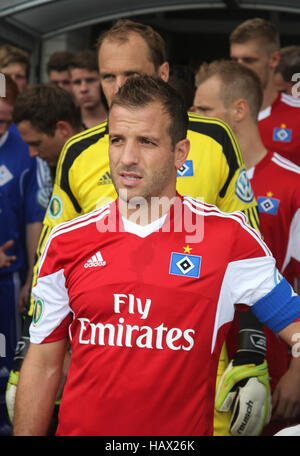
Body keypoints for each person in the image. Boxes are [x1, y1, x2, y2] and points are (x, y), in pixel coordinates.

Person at [8, 19, 265, 437]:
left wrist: (251, 354)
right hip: (104, 366)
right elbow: (49, 266)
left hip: (198, 369)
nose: (117, 86)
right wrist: (25, 357)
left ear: (163, 74)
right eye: (108, 75)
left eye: (132, 74)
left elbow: (249, 255)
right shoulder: (78, 151)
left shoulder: (214, 139)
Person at [192, 59, 300, 434]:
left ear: (239, 110)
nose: (193, 118)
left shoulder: (293, 184)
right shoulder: (190, 180)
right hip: (203, 358)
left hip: (272, 358)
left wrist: (298, 370)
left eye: (203, 110)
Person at [5, 83, 83, 429]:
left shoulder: (103, 167)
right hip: (56, 310)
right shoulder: (56, 163)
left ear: (63, 129)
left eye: (37, 143)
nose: (32, 153)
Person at [0, 75, 45, 435]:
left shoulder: (24, 149)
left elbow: (35, 218)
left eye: (2, 120)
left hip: (9, 280)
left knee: (7, 368)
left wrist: (32, 276)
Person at [229, 17, 300, 166]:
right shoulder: (218, 113)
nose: (239, 68)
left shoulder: (297, 113)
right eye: (234, 60)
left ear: (274, 60)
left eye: (248, 60)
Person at [69, 49, 107, 128]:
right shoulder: (68, 123)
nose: (83, 89)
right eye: (77, 82)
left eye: (90, 80)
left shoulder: (120, 119)